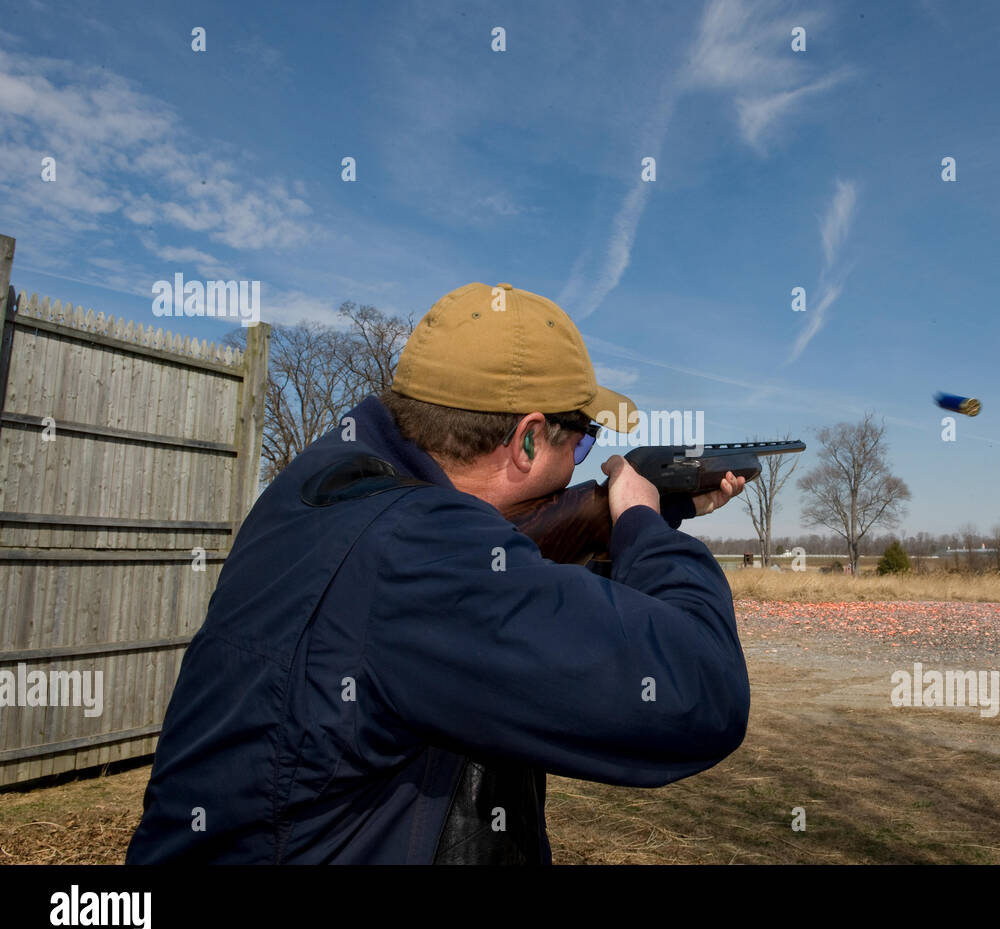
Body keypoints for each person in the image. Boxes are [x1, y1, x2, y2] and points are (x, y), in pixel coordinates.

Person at [126, 281, 750, 864]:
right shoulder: (418, 555)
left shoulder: (330, 487)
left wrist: (659, 511)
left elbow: (528, 581)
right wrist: (639, 521)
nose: (583, 459)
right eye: (582, 440)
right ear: (528, 440)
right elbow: (702, 687)